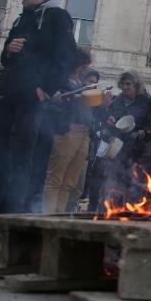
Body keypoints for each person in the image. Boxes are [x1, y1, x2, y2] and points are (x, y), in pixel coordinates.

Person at [0, 0, 78, 216]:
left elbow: (67, 56)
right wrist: (9, 49)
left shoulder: (57, 17)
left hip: (32, 100)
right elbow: (7, 57)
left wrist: (47, 88)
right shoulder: (20, 20)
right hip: (8, 93)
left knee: (22, 156)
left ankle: (12, 211)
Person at [89, 70, 150, 211]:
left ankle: (128, 212)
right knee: (111, 183)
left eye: (128, 84)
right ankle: (106, 212)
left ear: (136, 85)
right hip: (117, 149)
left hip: (136, 150)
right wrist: (109, 121)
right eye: (122, 84)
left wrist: (143, 131)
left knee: (132, 184)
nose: (125, 87)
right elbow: (104, 123)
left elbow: (150, 122)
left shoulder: (145, 101)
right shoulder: (116, 102)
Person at [42, 49, 94, 214]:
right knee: (55, 177)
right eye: (83, 65)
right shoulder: (60, 80)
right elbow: (53, 102)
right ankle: (49, 214)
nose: (83, 69)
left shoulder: (78, 83)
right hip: (67, 130)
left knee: (70, 181)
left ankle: (59, 213)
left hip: (83, 131)